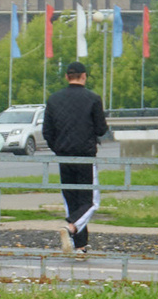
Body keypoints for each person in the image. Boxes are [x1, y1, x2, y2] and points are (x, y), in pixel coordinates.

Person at [44, 59, 110, 255]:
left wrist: (59, 148)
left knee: (72, 200)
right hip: (85, 157)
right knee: (90, 201)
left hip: (64, 157)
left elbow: (47, 131)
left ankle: (80, 247)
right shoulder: (93, 98)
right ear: (84, 77)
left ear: (66, 77)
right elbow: (101, 128)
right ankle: (70, 228)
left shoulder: (54, 99)